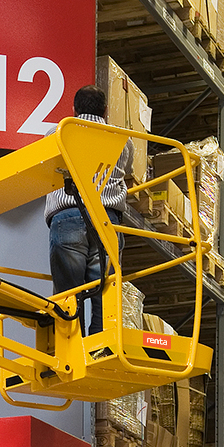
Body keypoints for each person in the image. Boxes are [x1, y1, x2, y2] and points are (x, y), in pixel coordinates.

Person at [44, 85, 135, 335]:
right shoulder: (121, 139)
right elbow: (128, 169)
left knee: (68, 297)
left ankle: (72, 348)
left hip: (67, 218)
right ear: (105, 110)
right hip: (106, 220)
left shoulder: (57, 133)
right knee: (105, 295)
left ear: (74, 109)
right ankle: (100, 349)